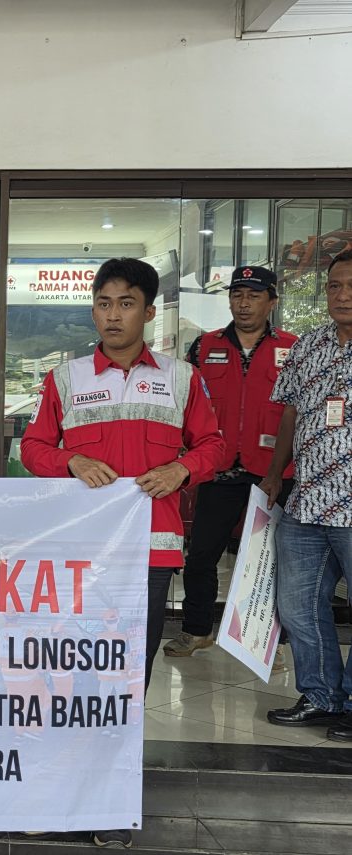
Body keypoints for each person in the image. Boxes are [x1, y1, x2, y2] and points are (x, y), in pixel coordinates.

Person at [20, 257, 224, 849]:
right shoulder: (66, 379)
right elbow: (33, 448)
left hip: (150, 558)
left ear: (149, 312)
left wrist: (182, 469)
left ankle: (108, 801)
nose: (113, 315)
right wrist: (71, 460)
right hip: (80, 558)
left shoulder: (183, 378)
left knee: (128, 680)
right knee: (68, 677)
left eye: (126, 303)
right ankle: (62, 792)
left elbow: (214, 445)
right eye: (104, 303)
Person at [164, 266, 297, 657]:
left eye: (254, 296)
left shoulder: (294, 348)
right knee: (202, 555)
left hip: (274, 471)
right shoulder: (204, 347)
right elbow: (185, 403)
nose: (244, 303)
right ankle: (196, 630)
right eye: (237, 295)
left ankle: (270, 640)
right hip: (220, 470)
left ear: (272, 301)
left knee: (273, 560)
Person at [262, 249, 352, 740]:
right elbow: (290, 413)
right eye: (335, 286)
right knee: (298, 605)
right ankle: (321, 696)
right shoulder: (309, 344)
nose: (342, 295)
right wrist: (276, 474)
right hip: (308, 500)